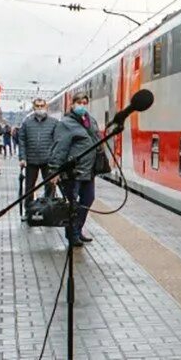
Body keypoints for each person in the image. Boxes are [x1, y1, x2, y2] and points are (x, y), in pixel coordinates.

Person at [47, 93, 102, 247]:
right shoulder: (66, 123)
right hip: (73, 171)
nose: (82, 105)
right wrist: (54, 170)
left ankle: (77, 228)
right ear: (72, 104)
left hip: (89, 170)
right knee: (72, 204)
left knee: (88, 200)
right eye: (79, 102)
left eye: (85, 102)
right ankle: (72, 234)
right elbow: (60, 147)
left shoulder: (91, 121)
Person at [16, 98, 58, 212]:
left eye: (42, 106)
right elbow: (22, 141)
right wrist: (22, 157)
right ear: (33, 108)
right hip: (31, 160)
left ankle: (49, 210)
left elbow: (57, 141)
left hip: (48, 160)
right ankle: (29, 209)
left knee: (50, 185)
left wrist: (55, 159)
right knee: (29, 186)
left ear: (46, 107)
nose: (40, 108)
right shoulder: (27, 123)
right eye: (37, 106)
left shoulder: (54, 123)